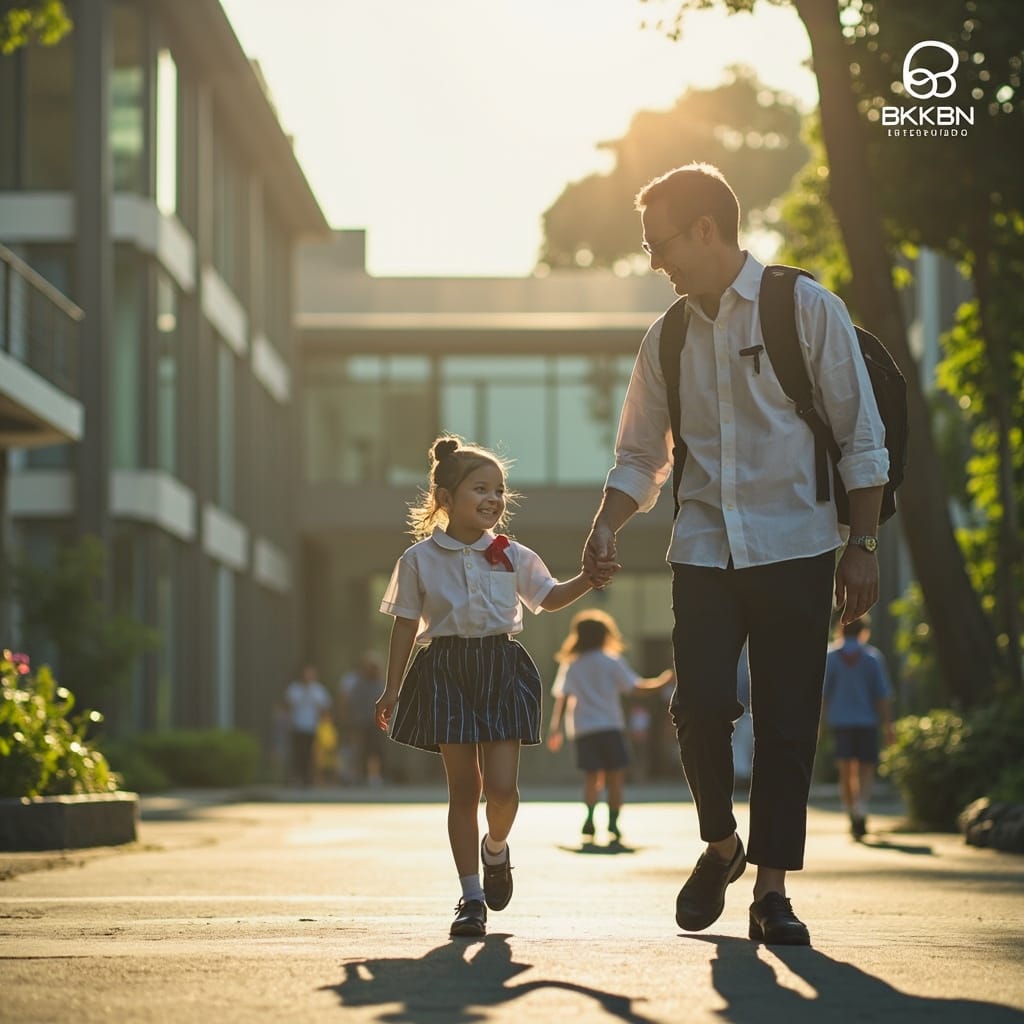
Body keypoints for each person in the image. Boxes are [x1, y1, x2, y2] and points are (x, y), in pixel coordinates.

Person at [583, 162, 889, 946]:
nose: (657, 264)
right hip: (706, 546)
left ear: (706, 230)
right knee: (699, 705)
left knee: (788, 722)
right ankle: (722, 846)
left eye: (660, 246)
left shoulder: (803, 307)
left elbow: (860, 434)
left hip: (799, 544)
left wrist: (862, 543)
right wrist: (608, 521)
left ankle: (773, 891)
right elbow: (641, 454)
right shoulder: (670, 336)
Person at [376, 436, 603, 938]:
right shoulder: (418, 559)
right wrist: (392, 688)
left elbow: (550, 596)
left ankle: (495, 850)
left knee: (503, 791)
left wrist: (588, 578)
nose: (494, 499)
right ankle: (471, 895)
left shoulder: (512, 553)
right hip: (446, 669)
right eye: (481, 488)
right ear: (445, 499)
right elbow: (404, 627)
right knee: (466, 789)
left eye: (499, 490)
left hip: (502, 665)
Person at [547, 609, 673, 842]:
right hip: (610, 727)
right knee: (615, 777)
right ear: (605, 634)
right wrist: (662, 682)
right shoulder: (611, 661)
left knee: (591, 777)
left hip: (583, 729)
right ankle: (613, 824)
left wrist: (555, 729)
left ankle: (590, 819)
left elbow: (563, 698)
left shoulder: (572, 665)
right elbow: (636, 688)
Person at [822, 616, 894, 839]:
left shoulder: (832, 658)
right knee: (866, 767)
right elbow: (881, 696)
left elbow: (823, 695)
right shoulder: (872, 658)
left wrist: (819, 725)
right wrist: (888, 725)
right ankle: (862, 806)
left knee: (846, 769)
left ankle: (851, 810)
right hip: (867, 721)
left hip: (841, 721)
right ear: (864, 631)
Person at [339, 652, 388, 785]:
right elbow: (351, 703)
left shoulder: (380, 684)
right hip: (360, 723)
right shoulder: (358, 684)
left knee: (374, 750)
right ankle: (357, 776)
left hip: (375, 723)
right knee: (359, 749)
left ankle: (373, 776)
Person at [285, 665, 333, 788]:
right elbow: (288, 707)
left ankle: (309, 778)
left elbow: (325, 709)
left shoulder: (318, 690)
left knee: (311, 753)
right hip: (298, 726)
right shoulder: (294, 689)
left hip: (312, 727)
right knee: (298, 752)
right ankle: (298, 777)